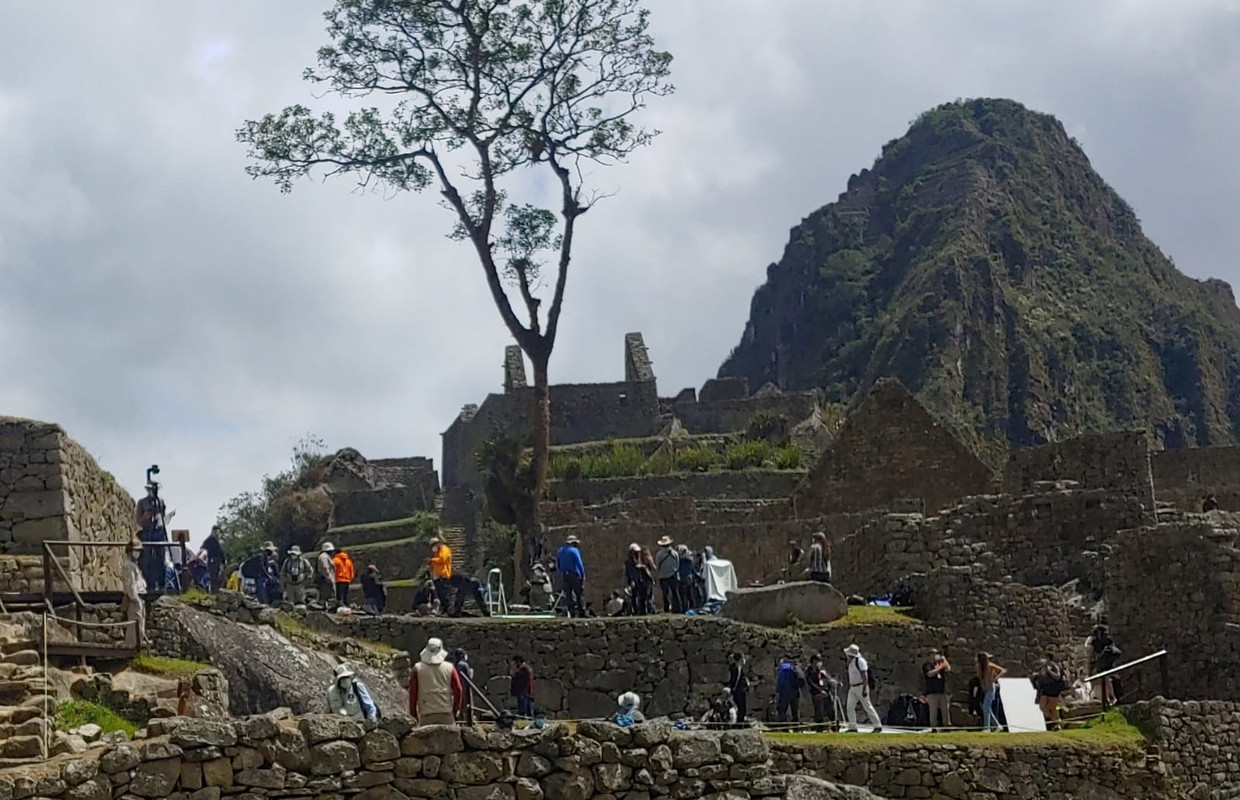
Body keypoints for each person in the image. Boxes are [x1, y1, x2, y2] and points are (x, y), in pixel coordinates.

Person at [409, 637, 463, 726]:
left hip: (426, 714)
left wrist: (413, 714)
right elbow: (458, 690)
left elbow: (413, 694)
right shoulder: (450, 668)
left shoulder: (417, 669)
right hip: (446, 713)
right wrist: (455, 710)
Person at [136, 482, 170, 591]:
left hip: (159, 532)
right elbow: (138, 520)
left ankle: (161, 584)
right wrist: (146, 516)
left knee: (161, 557)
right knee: (146, 558)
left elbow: (163, 516)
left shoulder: (160, 501)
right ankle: (148, 584)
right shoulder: (142, 502)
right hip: (147, 532)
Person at [843, 644, 883, 733]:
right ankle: (852, 726)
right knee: (850, 707)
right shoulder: (851, 663)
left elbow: (865, 675)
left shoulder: (860, 661)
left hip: (861, 686)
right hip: (853, 687)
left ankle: (877, 725)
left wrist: (865, 688)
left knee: (867, 706)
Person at [121, 538, 148, 649]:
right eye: (136, 550)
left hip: (139, 597)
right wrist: (135, 599)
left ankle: (136, 647)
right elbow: (130, 584)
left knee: (140, 626)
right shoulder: (129, 566)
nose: (138, 553)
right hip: (135, 599)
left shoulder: (133, 565)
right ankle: (131, 648)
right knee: (135, 626)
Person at [1086, 624, 1117, 704]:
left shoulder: (1107, 640)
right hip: (1097, 662)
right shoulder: (1094, 641)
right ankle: (1106, 698)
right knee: (1101, 680)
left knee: (1106, 679)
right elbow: (1091, 651)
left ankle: (1111, 697)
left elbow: (1111, 649)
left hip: (1105, 662)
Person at [1033, 655, 1066, 729]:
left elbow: (1058, 677)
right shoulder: (1042, 668)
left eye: (1044, 658)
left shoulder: (1054, 666)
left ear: (1048, 659)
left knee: (1054, 707)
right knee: (1042, 706)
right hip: (1045, 689)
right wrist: (1038, 695)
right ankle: (1056, 720)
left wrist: (1049, 671)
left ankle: (1057, 723)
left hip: (1054, 689)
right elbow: (1040, 682)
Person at [976, 652, 1006, 732]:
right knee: (986, 708)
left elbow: (1003, 670)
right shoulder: (978, 666)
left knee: (985, 707)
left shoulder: (989, 665)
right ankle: (997, 725)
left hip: (990, 688)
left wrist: (995, 678)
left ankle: (987, 728)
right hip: (984, 688)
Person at [922, 649, 951, 731]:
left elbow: (948, 669)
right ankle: (933, 727)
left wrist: (944, 660)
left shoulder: (940, 664)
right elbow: (930, 674)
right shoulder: (927, 665)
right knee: (933, 711)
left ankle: (947, 726)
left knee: (945, 709)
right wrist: (940, 667)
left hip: (942, 691)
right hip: (932, 692)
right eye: (934, 654)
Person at [556, 535, 586, 617]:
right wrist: (582, 575)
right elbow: (579, 563)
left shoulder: (560, 551)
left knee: (568, 595)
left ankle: (572, 612)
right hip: (574, 575)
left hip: (565, 575)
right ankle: (581, 612)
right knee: (579, 594)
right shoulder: (574, 550)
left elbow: (558, 564)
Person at [806, 653, 837, 726]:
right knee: (819, 711)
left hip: (826, 692)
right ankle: (819, 726)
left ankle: (833, 724)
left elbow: (826, 679)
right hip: (817, 694)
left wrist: (829, 687)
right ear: (814, 661)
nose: (819, 662)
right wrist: (820, 691)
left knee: (830, 709)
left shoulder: (821, 670)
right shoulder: (809, 671)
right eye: (818, 660)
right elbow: (811, 683)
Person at [654, 536, 681, 613]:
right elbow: (677, 564)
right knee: (675, 592)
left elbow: (657, 565)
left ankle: (666, 608)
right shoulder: (675, 553)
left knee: (665, 593)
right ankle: (677, 608)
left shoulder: (659, 554)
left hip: (663, 576)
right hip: (673, 575)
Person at [625, 544, 653, 615]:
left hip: (641, 581)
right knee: (634, 596)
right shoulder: (629, 562)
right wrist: (631, 581)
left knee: (642, 596)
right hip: (634, 581)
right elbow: (629, 572)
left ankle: (643, 611)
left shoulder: (640, 560)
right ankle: (636, 611)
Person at [449, 649, 475, 725]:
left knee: (459, 707)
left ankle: (459, 722)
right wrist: (471, 672)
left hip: (456, 688)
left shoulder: (453, 665)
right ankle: (467, 722)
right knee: (466, 706)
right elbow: (468, 678)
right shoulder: (464, 665)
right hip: (465, 688)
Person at [775, 656, 803, 723]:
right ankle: (796, 725)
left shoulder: (783, 669)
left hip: (785, 692)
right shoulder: (794, 668)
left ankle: (783, 725)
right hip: (795, 692)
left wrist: (778, 690)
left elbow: (781, 681)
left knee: (782, 710)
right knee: (795, 711)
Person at [429, 537, 454, 611]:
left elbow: (442, 559)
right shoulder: (437, 552)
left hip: (442, 576)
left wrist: (432, 560)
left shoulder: (444, 549)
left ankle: (448, 610)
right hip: (437, 576)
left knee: (444, 594)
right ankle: (444, 610)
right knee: (440, 594)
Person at [200, 526, 225, 591]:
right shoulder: (210, 540)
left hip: (218, 560)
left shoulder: (218, 541)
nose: (217, 533)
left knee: (217, 575)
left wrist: (223, 561)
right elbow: (202, 548)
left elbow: (220, 552)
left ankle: (215, 589)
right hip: (212, 560)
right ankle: (212, 589)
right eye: (216, 532)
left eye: (218, 532)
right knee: (212, 575)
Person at [728, 652, 750, 722]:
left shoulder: (735, 666)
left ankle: (740, 720)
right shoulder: (737, 667)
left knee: (741, 706)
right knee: (741, 706)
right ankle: (740, 721)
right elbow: (736, 678)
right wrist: (734, 687)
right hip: (739, 690)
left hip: (740, 690)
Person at [316, 542, 337, 606]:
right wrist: (328, 577)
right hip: (325, 579)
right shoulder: (324, 557)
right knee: (328, 595)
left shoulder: (324, 556)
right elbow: (325, 567)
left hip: (325, 578)